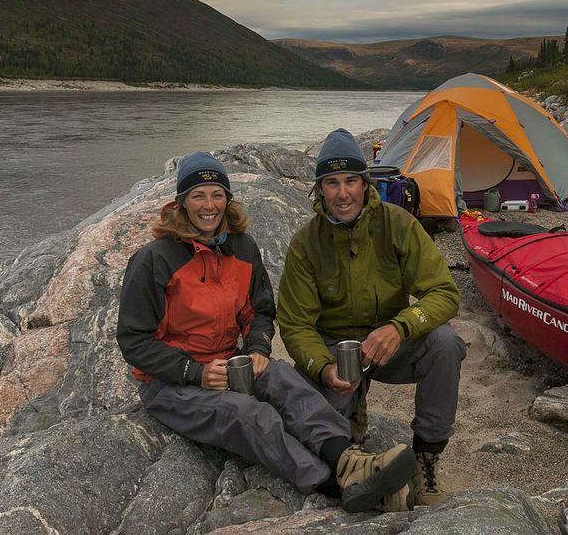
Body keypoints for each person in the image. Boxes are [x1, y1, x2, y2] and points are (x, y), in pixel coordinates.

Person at [116, 151, 417, 513]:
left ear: (228, 199)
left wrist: (258, 346)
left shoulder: (241, 247)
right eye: (198, 195)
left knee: (285, 379)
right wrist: (193, 371)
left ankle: (348, 459)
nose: (208, 205)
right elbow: (133, 340)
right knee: (247, 414)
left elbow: (259, 310)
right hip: (169, 383)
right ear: (181, 203)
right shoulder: (154, 259)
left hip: (230, 362)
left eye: (217, 194)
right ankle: (335, 486)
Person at [278, 129, 466, 506]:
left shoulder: (397, 224)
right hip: (336, 353)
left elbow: (444, 293)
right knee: (320, 442)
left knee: (446, 344)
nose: (342, 193)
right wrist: (321, 368)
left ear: (366, 185)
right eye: (331, 183)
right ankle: (358, 449)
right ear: (319, 189)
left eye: (351, 181)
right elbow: (295, 324)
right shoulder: (305, 243)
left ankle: (425, 461)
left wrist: (401, 327)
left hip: (391, 345)